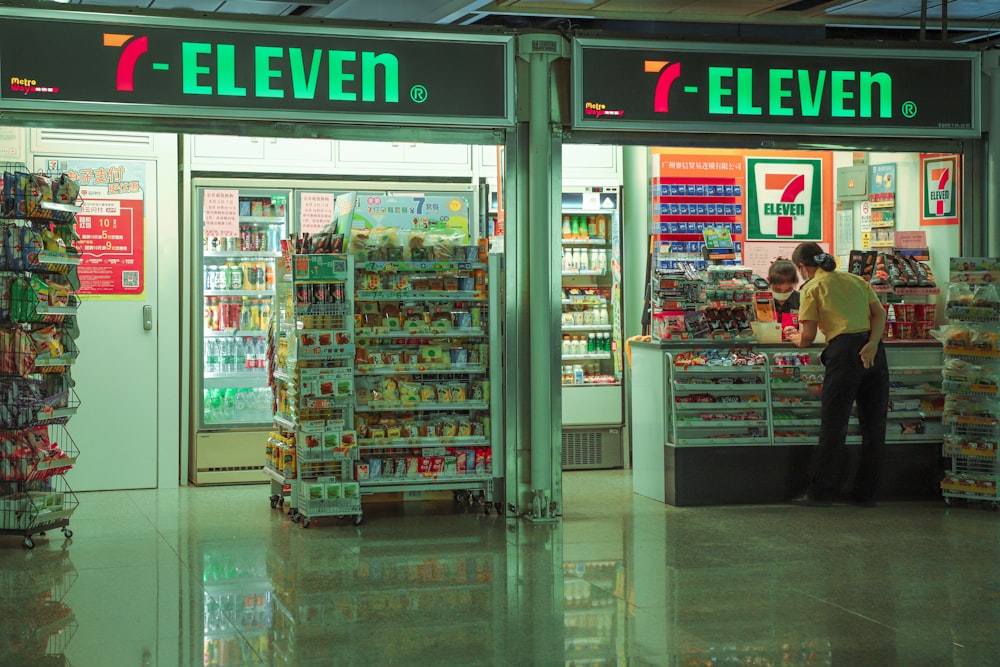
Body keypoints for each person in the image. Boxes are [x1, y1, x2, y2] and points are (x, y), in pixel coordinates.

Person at [783, 242, 888, 508]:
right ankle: (867, 493)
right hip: (874, 351)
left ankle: (822, 492)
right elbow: (879, 314)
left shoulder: (813, 288)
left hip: (844, 353)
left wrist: (794, 337)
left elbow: (807, 338)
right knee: (874, 425)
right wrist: (873, 343)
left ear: (803, 267)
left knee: (834, 423)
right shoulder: (854, 279)